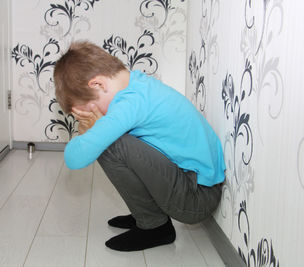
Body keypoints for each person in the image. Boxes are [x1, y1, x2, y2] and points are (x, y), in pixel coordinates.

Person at [53, 41, 225, 252]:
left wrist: (88, 130)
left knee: (112, 144)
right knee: (113, 138)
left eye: (89, 110)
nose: (93, 115)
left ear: (97, 85)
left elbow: (73, 158)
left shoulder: (129, 104)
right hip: (198, 186)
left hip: (196, 199)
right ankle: (147, 214)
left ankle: (154, 226)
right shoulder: (138, 85)